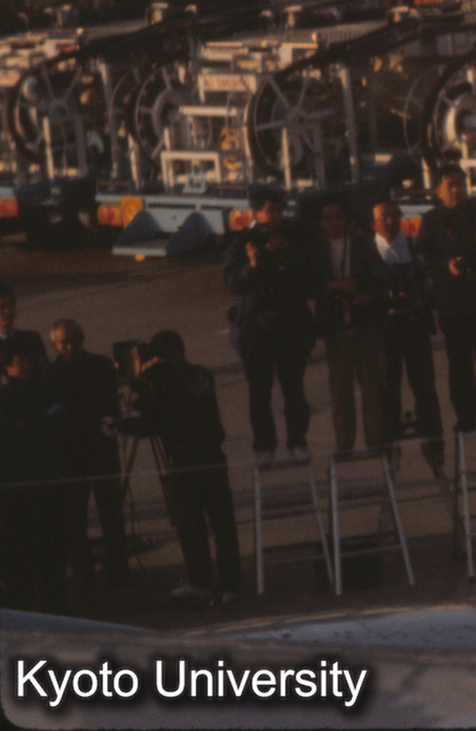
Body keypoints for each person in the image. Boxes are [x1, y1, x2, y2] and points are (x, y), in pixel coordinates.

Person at [136, 330, 241, 607]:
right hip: (180, 462)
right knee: (189, 526)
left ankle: (230, 584)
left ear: (177, 351)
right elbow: (152, 421)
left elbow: (197, 390)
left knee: (222, 526)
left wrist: (168, 368)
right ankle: (199, 582)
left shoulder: (198, 374)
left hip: (208, 459)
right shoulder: (160, 380)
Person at [223, 187, 315, 464]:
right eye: (269, 210)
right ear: (256, 212)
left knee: (294, 389)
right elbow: (231, 282)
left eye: (278, 210)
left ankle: (297, 441)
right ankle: (264, 446)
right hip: (256, 328)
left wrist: (288, 259)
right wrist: (253, 263)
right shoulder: (242, 244)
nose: (275, 215)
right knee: (259, 392)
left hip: (289, 325)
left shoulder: (293, 237)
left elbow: (308, 276)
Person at [414, 165, 476, 433]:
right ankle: (466, 418)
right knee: (459, 364)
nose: (456, 190)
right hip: (452, 304)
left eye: (460, 184)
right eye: (450, 185)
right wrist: (447, 265)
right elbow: (422, 256)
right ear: (438, 190)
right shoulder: (431, 221)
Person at [47, 319, 128, 592]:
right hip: (70, 457)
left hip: (101, 450)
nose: (70, 346)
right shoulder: (50, 375)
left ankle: (118, 574)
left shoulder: (101, 365)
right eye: (64, 342)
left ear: (82, 339)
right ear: (55, 345)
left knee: (111, 514)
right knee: (74, 521)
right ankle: (83, 578)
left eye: (75, 340)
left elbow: (111, 402)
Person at [310, 195, 387, 454]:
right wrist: (332, 286)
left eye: (339, 217)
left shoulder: (363, 244)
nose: (334, 222)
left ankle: (375, 440)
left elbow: (379, 274)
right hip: (335, 324)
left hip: (363, 318)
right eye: (328, 218)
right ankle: (344, 444)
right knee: (340, 387)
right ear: (321, 222)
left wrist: (360, 287)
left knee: (371, 383)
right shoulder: (316, 249)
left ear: (347, 220)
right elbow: (308, 283)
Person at [372, 198, 444, 460]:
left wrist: (419, 290)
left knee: (425, 386)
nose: (390, 222)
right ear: (373, 224)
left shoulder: (415, 248)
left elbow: (431, 281)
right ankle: (389, 449)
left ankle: (435, 447)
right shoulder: (367, 251)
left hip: (415, 325)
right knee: (387, 388)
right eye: (384, 217)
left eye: (395, 215)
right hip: (385, 329)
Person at [0, 336, 68, 613]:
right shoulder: (4, 397)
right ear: (7, 366)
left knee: (51, 547)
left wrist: (27, 427)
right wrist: (35, 426)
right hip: (14, 489)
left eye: (28, 359)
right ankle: (24, 606)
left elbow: (61, 422)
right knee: (18, 551)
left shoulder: (46, 390)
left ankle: (56, 604)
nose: (25, 366)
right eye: (18, 361)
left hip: (46, 483)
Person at [0, 284, 47, 364]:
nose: (7, 311)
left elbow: (45, 367)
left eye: (10, 305)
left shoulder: (32, 340)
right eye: (1, 307)